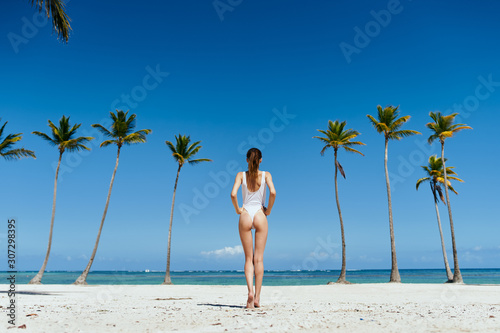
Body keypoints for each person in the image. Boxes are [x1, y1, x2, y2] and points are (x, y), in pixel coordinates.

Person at [230, 148, 276, 308]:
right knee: (259, 259)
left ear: (247, 160)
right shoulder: (266, 175)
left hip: (245, 214)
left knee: (248, 259)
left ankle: (249, 292)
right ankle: (257, 298)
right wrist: (268, 210)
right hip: (259, 213)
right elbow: (273, 192)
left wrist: (237, 209)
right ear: (261, 160)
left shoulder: (240, 175)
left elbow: (233, 194)